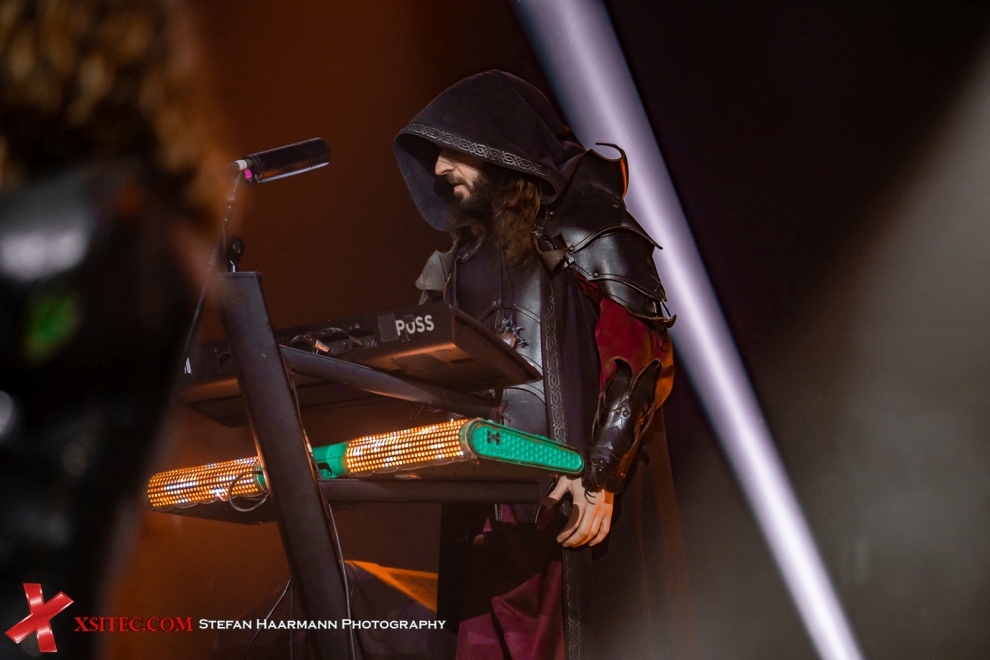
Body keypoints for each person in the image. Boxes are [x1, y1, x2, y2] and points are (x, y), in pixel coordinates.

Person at [394, 71, 695, 660]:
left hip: (571, 504)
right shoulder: (458, 264)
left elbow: (639, 358)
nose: (439, 169)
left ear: (497, 144)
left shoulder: (589, 229)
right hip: (486, 517)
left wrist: (601, 475)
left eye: (452, 149)